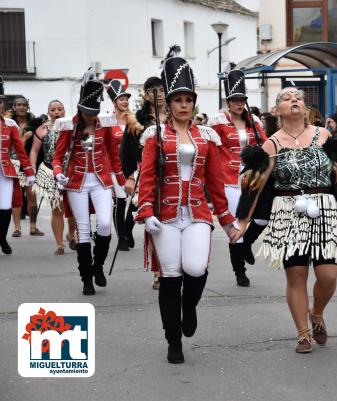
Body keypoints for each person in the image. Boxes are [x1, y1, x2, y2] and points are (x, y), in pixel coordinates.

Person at [234, 87, 337, 353]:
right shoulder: (272, 144)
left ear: (305, 109)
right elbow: (255, 184)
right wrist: (243, 221)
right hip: (287, 212)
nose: (294, 100)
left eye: (299, 98)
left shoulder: (323, 135)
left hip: (324, 209)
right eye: (287, 98)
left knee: (328, 275)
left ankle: (317, 313)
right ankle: (303, 334)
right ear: (277, 110)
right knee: (297, 274)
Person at [135, 53, 237, 364]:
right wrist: (146, 211)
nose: (183, 105)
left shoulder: (206, 136)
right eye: (177, 100)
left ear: (193, 103)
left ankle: (190, 304)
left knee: (196, 269)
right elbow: (147, 177)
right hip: (164, 217)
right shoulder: (154, 135)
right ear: (168, 103)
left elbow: (216, 183)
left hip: (196, 214)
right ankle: (173, 340)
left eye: (188, 100)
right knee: (170, 275)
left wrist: (228, 221)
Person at [52, 71, 126, 296]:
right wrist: (57, 174)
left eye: (94, 113)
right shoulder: (69, 127)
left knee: (105, 225)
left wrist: (123, 182)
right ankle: (87, 279)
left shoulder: (104, 125)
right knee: (83, 231)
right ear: (80, 108)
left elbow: (114, 157)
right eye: (87, 112)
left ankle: (98, 266)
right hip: (76, 183)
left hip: (102, 181)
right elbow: (57, 157)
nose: (90, 117)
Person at [208, 69, 267, 287]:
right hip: (229, 179)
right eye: (235, 100)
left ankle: (248, 243)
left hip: (252, 177)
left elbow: (266, 145)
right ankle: (239, 271)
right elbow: (210, 148)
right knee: (237, 226)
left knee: (263, 216)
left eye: (242, 100)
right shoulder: (217, 121)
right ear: (228, 101)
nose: (239, 104)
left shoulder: (254, 122)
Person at [29, 100, 78, 254]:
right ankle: (59, 243)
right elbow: (34, 151)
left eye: (60, 109)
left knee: (74, 207)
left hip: (71, 170)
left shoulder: (73, 126)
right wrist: (31, 169)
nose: (56, 112)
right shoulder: (43, 128)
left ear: (64, 110)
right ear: (48, 112)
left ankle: (71, 234)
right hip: (50, 170)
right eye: (53, 109)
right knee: (57, 208)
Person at [134, 76, 167, 290]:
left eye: (162, 89)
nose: (160, 94)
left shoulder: (176, 114)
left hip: (174, 177)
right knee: (155, 223)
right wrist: (129, 177)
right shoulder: (138, 120)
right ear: (147, 95)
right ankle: (157, 270)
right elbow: (128, 152)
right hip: (150, 175)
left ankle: (171, 267)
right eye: (154, 90)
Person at [0, 76, 35, 255]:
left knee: (6, 207)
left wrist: (29, 171)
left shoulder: (10, 125)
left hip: (5, 172)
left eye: (0, 101)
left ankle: (2, 237)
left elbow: (20, 150)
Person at [107, 79, 143, 253]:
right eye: (121, 99)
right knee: (120, 201)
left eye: (126, 99)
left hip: (134, 166)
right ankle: (121, 237)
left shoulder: (134, 121)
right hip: (114, 168)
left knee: (136, 201)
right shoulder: (108, 121)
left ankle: (128, 229)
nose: (125, 101)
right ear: (114, 102)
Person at [8, 95, 43, 237]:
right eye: (19, 105)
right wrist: (24, 138)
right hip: (13, 163)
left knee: (31, 195)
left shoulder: (34, 123)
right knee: (15, 196)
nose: (22, 107)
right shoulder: (9, 123)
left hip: (29, 164)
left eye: (24, 105)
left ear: (27, 107)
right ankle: (17, 228)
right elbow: (11, 146)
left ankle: (33, 227)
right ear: (14, 108)